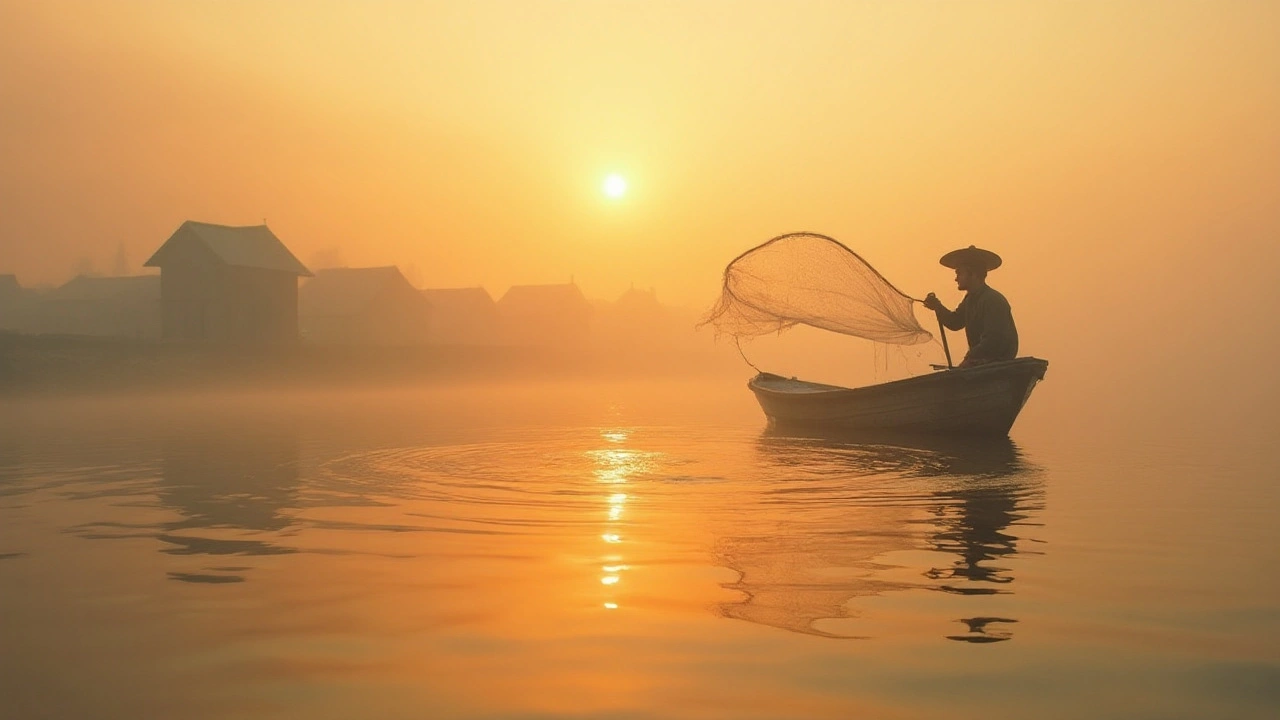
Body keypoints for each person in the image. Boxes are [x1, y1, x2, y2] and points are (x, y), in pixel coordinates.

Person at [922, 245, 1018, 367]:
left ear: (973, 274)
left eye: (959, 273)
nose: (956, 279)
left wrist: (969, 358)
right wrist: (937, 306)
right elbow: (955, 322)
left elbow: (993, 340)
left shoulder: (992, 300)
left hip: (996, 362)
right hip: (981, 362)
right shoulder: (970, 300)